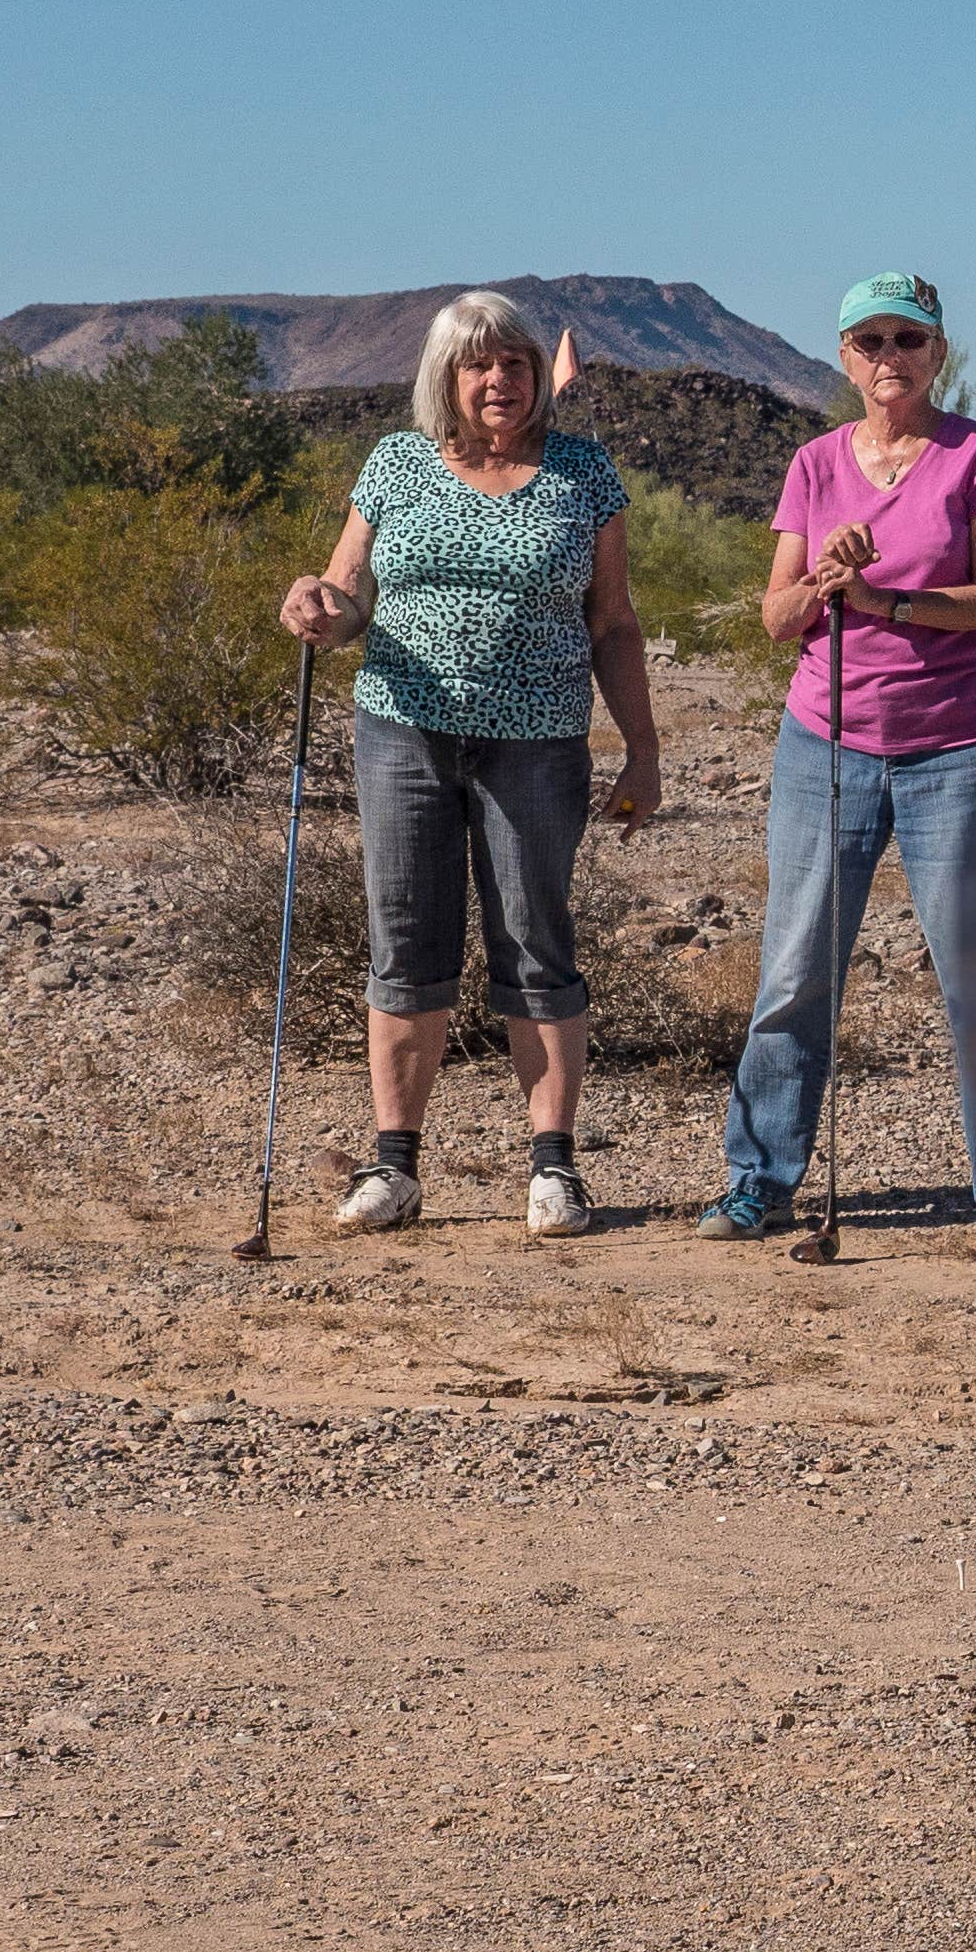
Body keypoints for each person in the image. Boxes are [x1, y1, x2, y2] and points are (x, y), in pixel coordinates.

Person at [280, 288, 659, 1239]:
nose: (500, 380)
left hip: (537, 739)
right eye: (479, 365)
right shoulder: (399, 464)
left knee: (534, 937)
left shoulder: (582, 473)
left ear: (538, 377)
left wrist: (642, 747)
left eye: (516, 364)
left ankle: (554, 1170)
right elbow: (350, 590)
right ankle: (394, 1167)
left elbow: (611, 621)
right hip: (403, 728)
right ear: (446, 377)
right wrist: (320, 608)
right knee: (406, 936)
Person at [701, 272, 976, 1247]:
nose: (892, 358)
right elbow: (776, 617)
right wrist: (822, 581)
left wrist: (886, 603)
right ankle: (759, 1177)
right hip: (827, 741)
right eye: (871, 341)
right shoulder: (813, 466)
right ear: (845, 357)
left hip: (959, 745)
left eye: (909, 339)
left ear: (939, 352)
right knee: (797, 968)